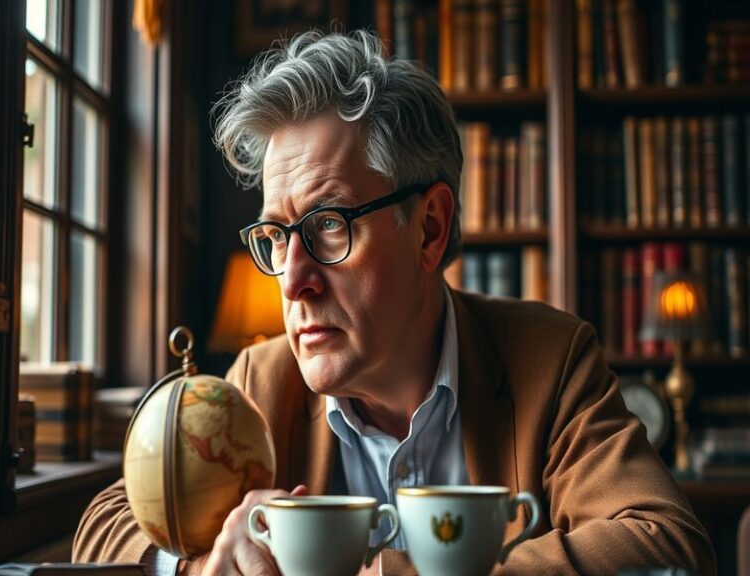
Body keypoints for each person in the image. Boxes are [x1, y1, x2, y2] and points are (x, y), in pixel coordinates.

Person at [73, 29, 716, 575]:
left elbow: (668, 543)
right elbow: (104, 526)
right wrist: (195, 563)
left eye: (328, 224)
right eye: (274, 235)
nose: (293, 279)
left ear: (430, 229)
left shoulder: (550, 361)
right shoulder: (259, 389)